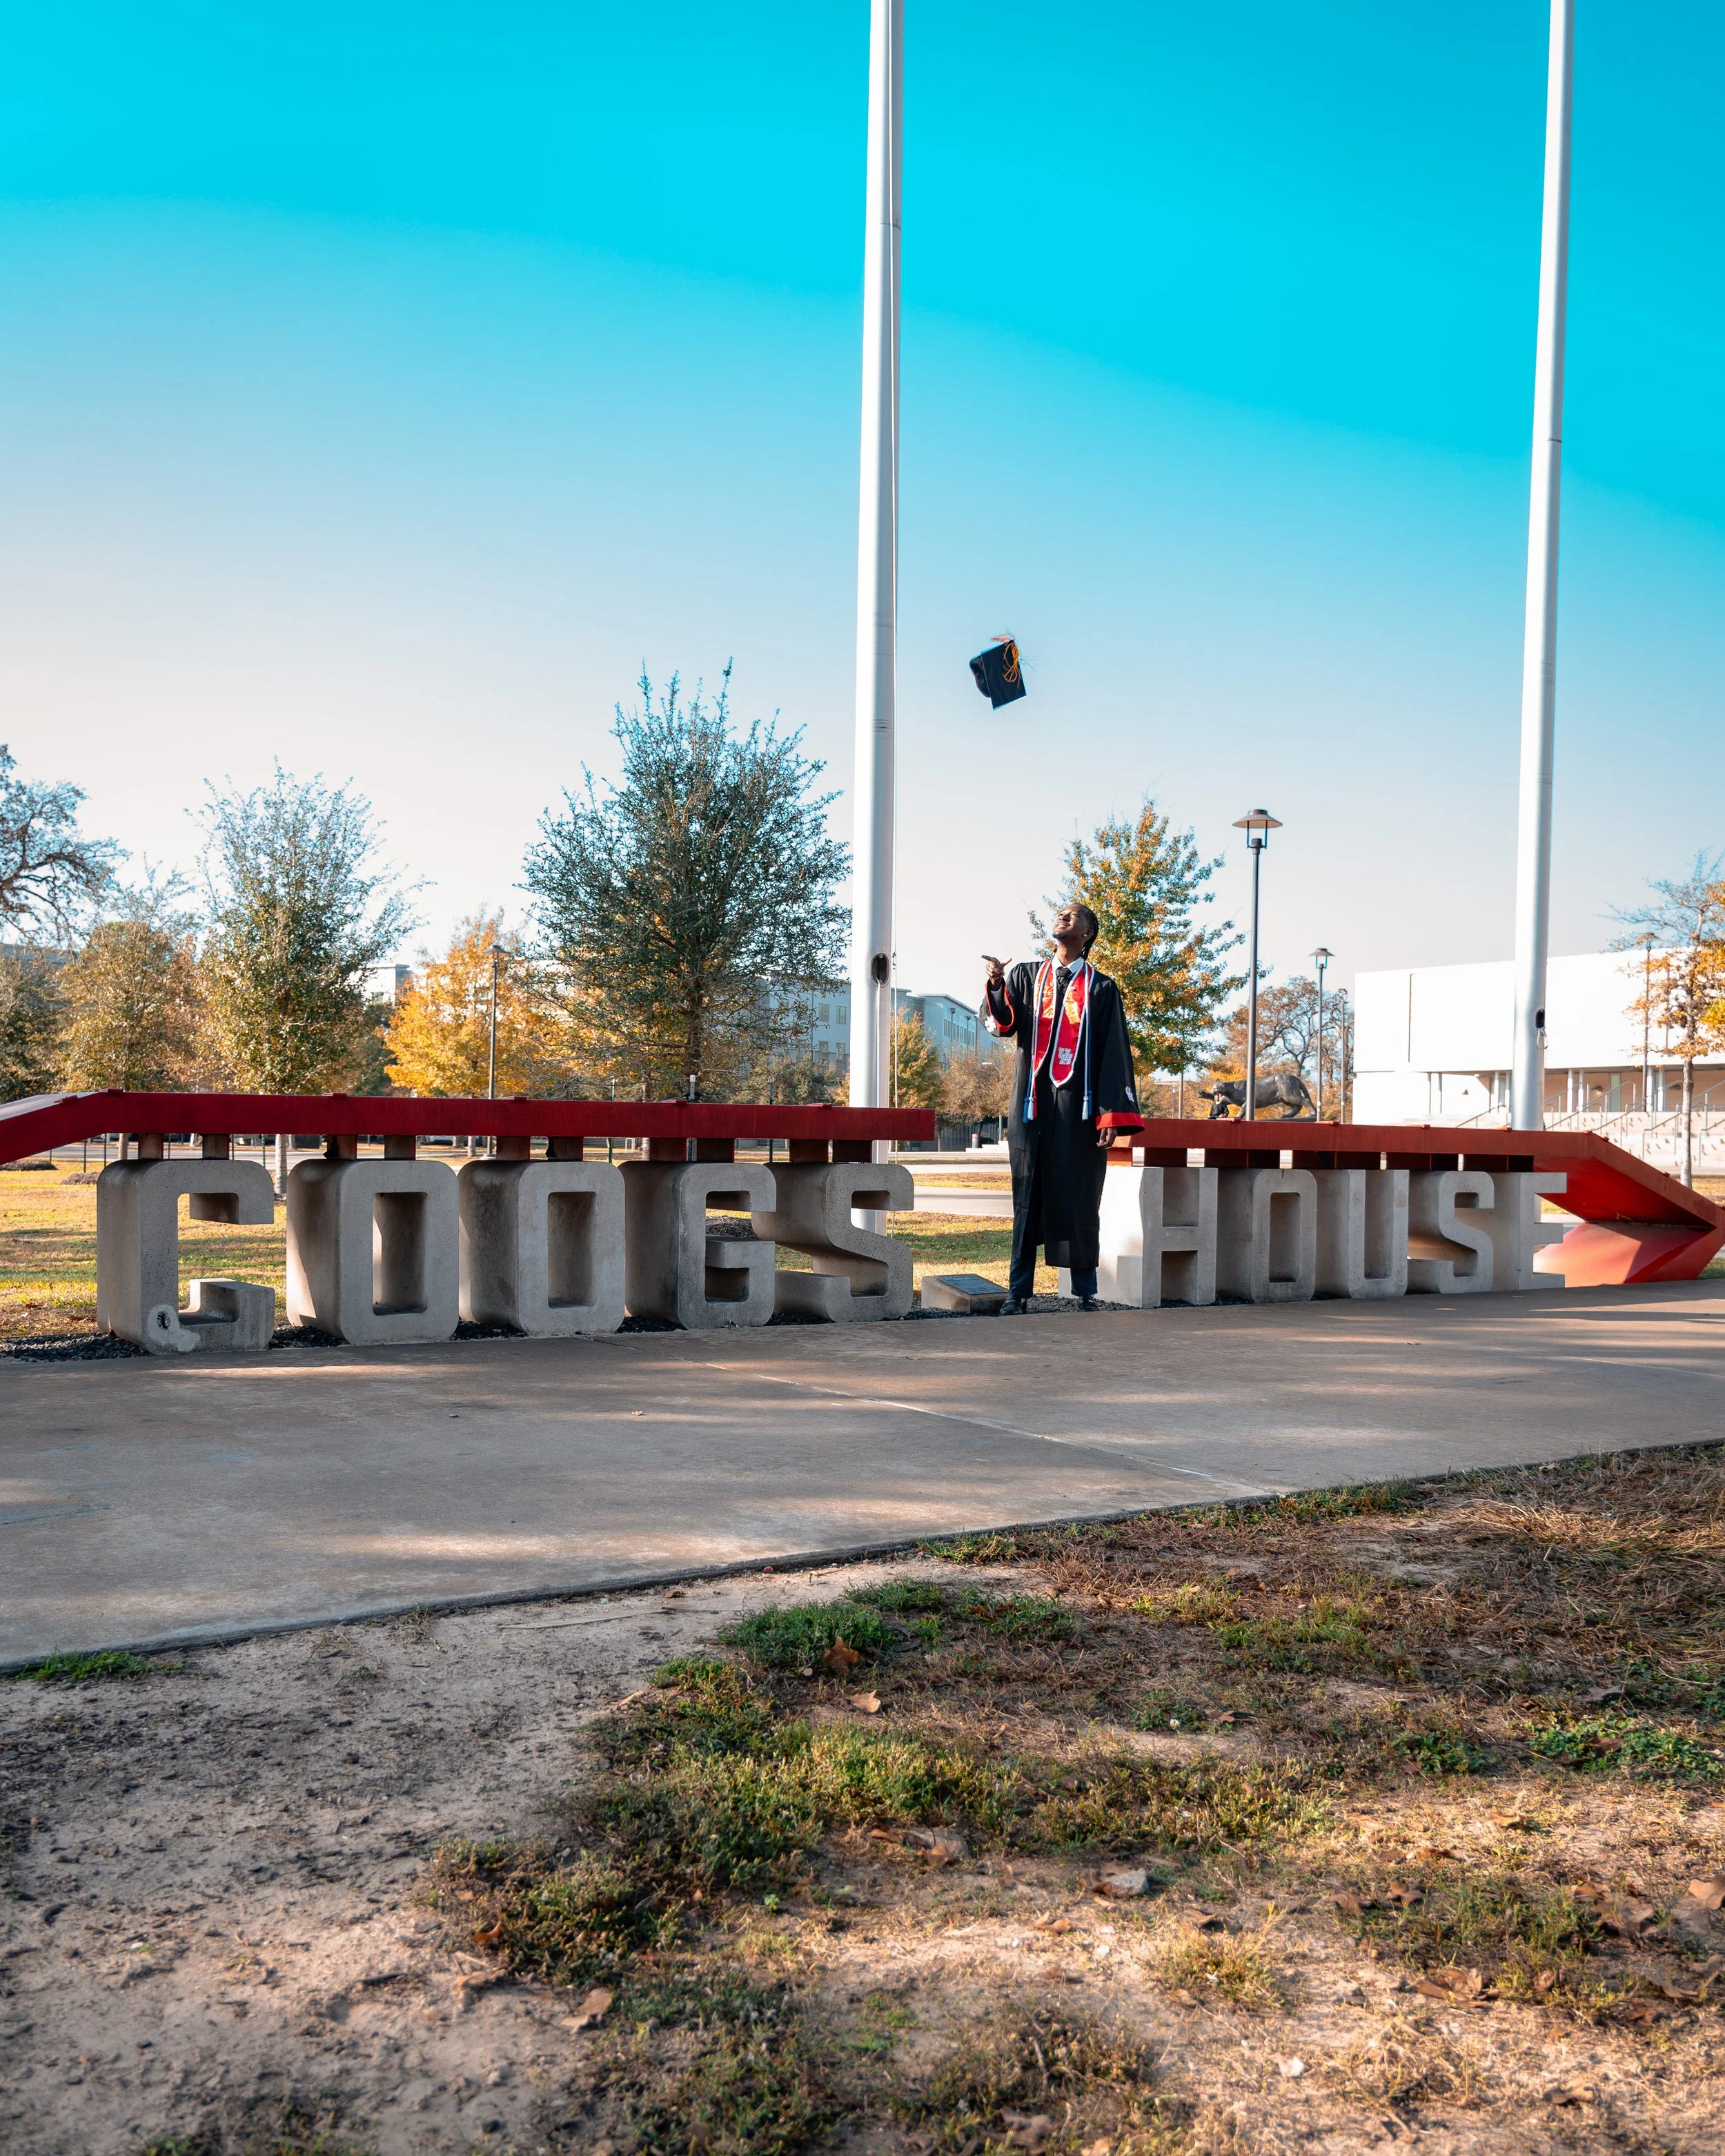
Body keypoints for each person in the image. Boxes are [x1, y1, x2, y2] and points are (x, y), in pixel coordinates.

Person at [981, 902, 1145, 1312]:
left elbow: (1114, 1054)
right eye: (1060, 913)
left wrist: (1110, 1114)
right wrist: (998, 985)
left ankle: (1085, 1290)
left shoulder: (1102, 989)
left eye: (1073, 915)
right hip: (1031, 1104)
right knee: (1026, 1197)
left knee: (1080, 1196)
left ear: (1088, 933)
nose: (1062, 916)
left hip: (1080, 1107)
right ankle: (1018, 1292)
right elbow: (1003, 1025)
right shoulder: (1026, 976)